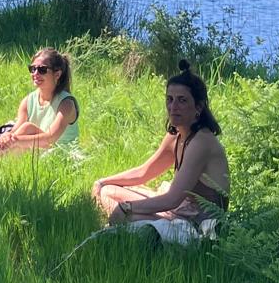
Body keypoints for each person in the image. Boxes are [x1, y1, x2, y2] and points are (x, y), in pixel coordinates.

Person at [91, 60, 228, 239]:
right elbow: (145, 172)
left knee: (129, 214)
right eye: (169, 100)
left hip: (198, 224)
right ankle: (140, 226)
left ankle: (147, 232)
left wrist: (127, 207)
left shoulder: (202, 142)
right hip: (177, 211)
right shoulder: (176, 134)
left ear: (198, 107)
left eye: (182, 100)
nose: (173, 107)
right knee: (108, 191)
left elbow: (172, 199)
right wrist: (102, 181)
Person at [0, 49, 78, 163]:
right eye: (33, 69)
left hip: (56, 155)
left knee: (28, 128)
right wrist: (7, 137)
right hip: (35, 149)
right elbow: (16, 129)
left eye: (42, 70)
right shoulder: (28, 100)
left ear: (57, 74)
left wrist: (17, 140)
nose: (35, 74)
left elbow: (50, 139)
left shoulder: (66, 104)